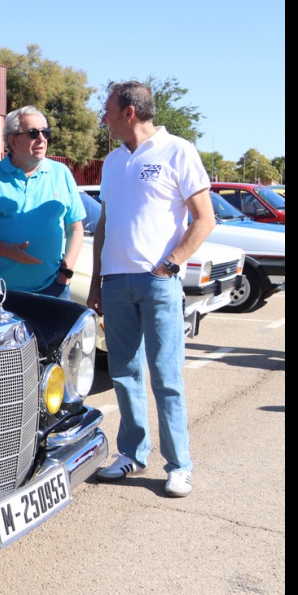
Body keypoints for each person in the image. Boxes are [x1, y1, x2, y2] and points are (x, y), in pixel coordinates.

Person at [88, 81, 215, 498]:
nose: (102, 118)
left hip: (158, 284)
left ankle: (179, 465)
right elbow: (105, 224)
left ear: (129, 113)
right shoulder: (112, 161)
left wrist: (170, 265)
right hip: (116, 282)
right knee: (124, 373)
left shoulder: (178, 151)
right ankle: (132, 453)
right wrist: (96, 281)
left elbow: (204, 219)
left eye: (107, 111)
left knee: (166, 376)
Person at [0, 106, 84, 298]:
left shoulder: (61, 173)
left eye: (45, 133)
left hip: (52, 289)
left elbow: (76, 229)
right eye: (34, 133)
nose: (42, 139)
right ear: (13, 141)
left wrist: (65, 273)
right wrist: (7, 251)